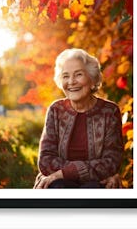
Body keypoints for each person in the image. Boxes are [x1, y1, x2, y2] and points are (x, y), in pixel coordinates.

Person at [33, 48, 123, 189]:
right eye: (65, 76)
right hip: (58, 181)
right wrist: (75, 172)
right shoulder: (56, 110)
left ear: (92, 78)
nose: (71, 82)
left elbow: (111, 162)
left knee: (92, 190)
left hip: (95, 183)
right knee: (57, 187)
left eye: (78, 75)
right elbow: (45, 161)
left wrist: (64, 172)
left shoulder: (109, 111)